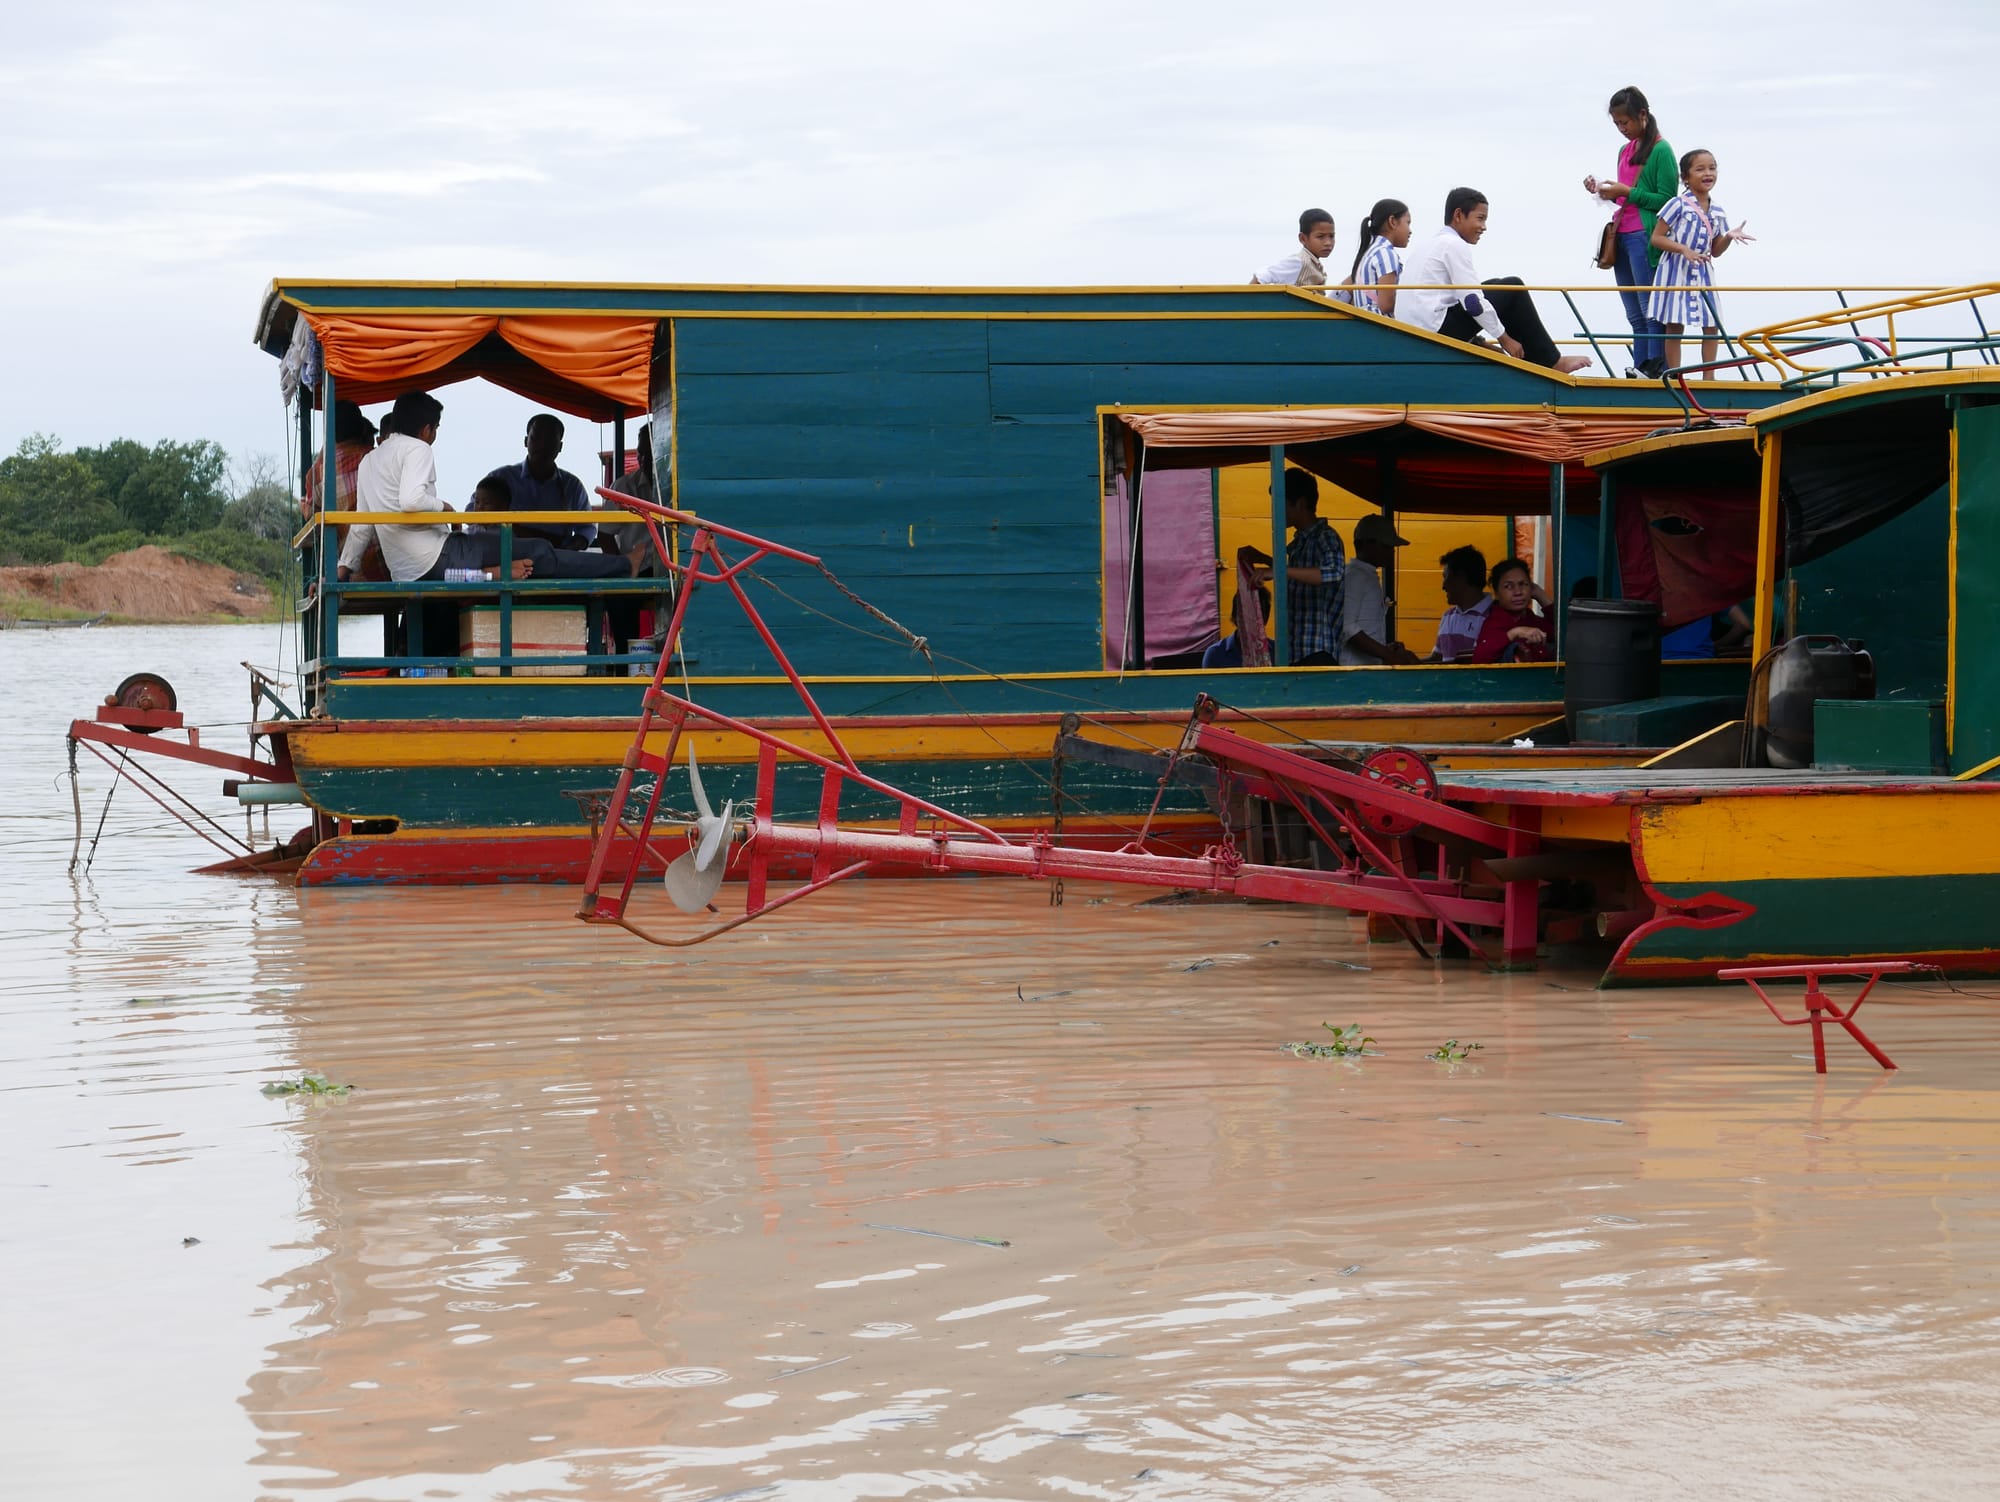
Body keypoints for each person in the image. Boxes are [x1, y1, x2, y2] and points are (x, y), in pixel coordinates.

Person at [1397, 188, 1593, 374]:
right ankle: (1552, 361)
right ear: (1458, 215)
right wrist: (1504, 338)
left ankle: (1530, 359)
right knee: (1512, 287)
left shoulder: (1431, 244)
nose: (1484, 227)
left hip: (1414, 334)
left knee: (1495, 284)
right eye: (1480, 218)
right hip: (1434, 334)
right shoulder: (1454, 245)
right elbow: (1472, 302)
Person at [1584, 86, 1678, 378]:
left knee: (1651, 309)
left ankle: (1655, 368)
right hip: (1622, 233)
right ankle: (1640, 369)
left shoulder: (1662, 150)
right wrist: (1606, 189)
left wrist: (1628, 191)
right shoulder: (1625, 151)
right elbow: (1627, 195)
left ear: (1643, 116)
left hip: (1644, 235)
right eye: (1617, 124)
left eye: (1625, 122)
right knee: (1635, 313)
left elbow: (1667, 199)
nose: (1622, 129)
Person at [1649, 149, 1752, 371]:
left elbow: (1715, 250)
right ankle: (1675, 375)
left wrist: (1728, 237)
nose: (1708, 173)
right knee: (1675, 325)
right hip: (1676, 269)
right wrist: (1682, 249)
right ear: (1685, 177)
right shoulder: (1677, 204)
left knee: (1711, 323)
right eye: (1700, 169)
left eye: (1712, 168)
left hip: (1703, 272)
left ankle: (1709, 377)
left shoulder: (1717, 211)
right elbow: (1656, 238)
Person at [1236, 469, 1345, 666]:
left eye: (1280, 504)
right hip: (1297, 652)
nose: (1275, 511)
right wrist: (1264, 559)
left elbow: (1334, 573)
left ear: (1300, 504)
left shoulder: (1325, 536)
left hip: (1317, 653)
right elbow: (1298, 575)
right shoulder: (1301, 542)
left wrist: (1278, 571)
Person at [483, 413, 597, 549]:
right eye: (536, 437)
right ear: (526, 441)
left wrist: (567, 550)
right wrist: (515, 530)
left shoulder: (572, 486)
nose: (542, 445)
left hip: (557, 560)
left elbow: (587, 529)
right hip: (507, 557)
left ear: (560, 447)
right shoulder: (500, 477)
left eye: (550, 439)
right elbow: (473, 512)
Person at [1338, 514, 1420, 665]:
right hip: (1354, 672)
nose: (1392, 552)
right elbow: (1346, 627)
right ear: (1363, 545)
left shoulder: (1365, 575)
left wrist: (1385, 650)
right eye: (1386, 546)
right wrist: (1387, 655)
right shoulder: (1355, 576)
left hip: (1365, 670)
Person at [1471, 557, 1554, 663]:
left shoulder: (1530, 618)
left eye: (1523, 584)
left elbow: (1563, 632)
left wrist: (1541, 595)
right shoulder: (1496, 622)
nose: (1518, 592)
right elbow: (1479, 659)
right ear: (1497, 593)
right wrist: (1514, 633)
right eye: (1508, 587)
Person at [1340, 199, 1411, 316]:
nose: (1410, 231)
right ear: (1392, 221)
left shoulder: (1369, 252)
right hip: (1380, 327)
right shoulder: (1386, 253)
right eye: (1407, 223)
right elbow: (1386, 305)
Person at [1430, 545, 1493, 661]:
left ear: (1461, 578)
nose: (1443, 586)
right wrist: (1407, 660)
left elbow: (1466, 666)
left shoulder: (1494, 617)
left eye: (1446, 577)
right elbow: (1437, 659)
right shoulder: (1448, 616)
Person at [1251, 208, 1336, 288]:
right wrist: (1246, 302)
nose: (1328, 243)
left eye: (1331, 236)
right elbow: (1264, 275)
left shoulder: (1315, 263)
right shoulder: (1298, 262)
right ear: (1303, 238)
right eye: (1320, 237)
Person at [1202, 584, 1272, 669]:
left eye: (1257, 616)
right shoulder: (1215, 654)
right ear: (1235, 616)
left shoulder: (1277, 653)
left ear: (1266, 618)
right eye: (1246, 614)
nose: (1251, 621)